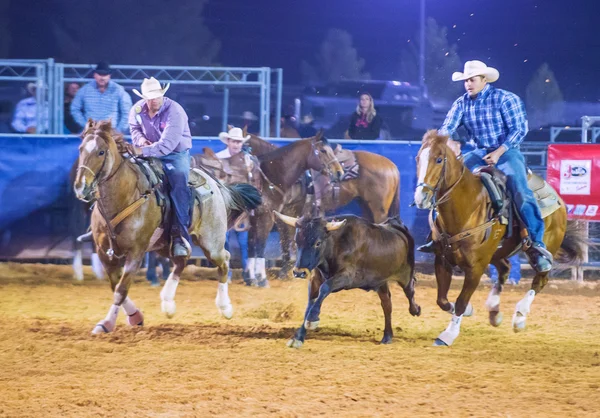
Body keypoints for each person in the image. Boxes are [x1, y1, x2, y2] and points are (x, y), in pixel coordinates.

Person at [417, 60, 553, 273]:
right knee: (448, 181)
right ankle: (437, 236)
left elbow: (519, 129)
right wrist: (437, 142)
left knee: (520, 189)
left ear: (484, 80)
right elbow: (447, 127)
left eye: (472, 80)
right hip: (479, 152)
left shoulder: (505, 99)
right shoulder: (461, 103)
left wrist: (499, 152)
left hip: (507, 151)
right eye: (466, 81)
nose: (468, 84)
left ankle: (537, 244)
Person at [129, 77, 193, 258]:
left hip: (175, 155)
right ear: (144, 98)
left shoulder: (175, 111)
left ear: (162, 94)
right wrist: (141, 141)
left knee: (178, 182)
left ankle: (180, 236)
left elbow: (167, 145)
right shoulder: (137, 110)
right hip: (148, 150)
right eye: (150, 96)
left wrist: (143, 149)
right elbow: (135, 129)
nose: (154, 99)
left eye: (157, 95)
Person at [216, 127, 251, 284]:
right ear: (228, 142)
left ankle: (247, 275)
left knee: (244, 244)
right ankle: (226, 275)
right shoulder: (218, 159)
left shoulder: (248, 160)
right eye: (234, 141)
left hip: (241, 209)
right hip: (224, 207)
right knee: (225, 243)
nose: (236, 144)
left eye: (239, 142)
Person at [71, 61, 132, 134]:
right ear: (94, 75)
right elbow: (75, 109)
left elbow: (127, 112)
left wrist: (118, 131)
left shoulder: (119, 90)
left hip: (111, 132)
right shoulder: (84, 90)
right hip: (91, 132)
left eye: (105, 74)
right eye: (100, 74)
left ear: (109, 76)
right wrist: (85, 126)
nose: (102, 77)